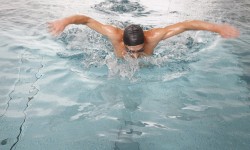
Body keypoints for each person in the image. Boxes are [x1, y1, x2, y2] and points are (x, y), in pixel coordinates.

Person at [48, 14, 239, 58]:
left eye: (139, 51)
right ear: (122, 42)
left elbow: (186, 25)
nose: (136, 56)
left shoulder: (154, 36)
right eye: (131, 52)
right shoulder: (113, 34)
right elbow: (87, 20)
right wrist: (64, 22)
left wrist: (217, 28)